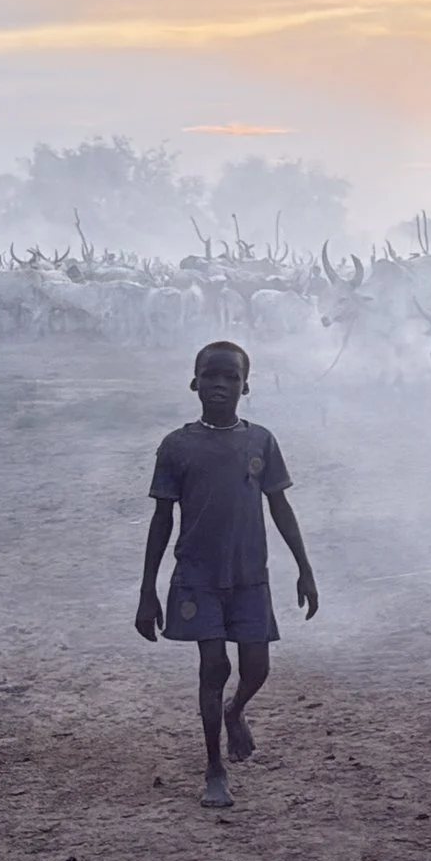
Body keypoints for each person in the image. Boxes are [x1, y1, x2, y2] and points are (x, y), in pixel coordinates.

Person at [137, 341, 317, 808]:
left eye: (231, 377)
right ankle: (214, 768)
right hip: (197, 576)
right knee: (213, 667)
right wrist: (147, 592)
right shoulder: (177, 446)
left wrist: (304, 569)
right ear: (195, 382)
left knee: (256, 668)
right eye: (210, 376)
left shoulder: (260, 442)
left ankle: (237, 711)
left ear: (246, 386)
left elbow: (280, 506)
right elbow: (161, 522)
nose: (220, 385)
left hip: (249, 576)